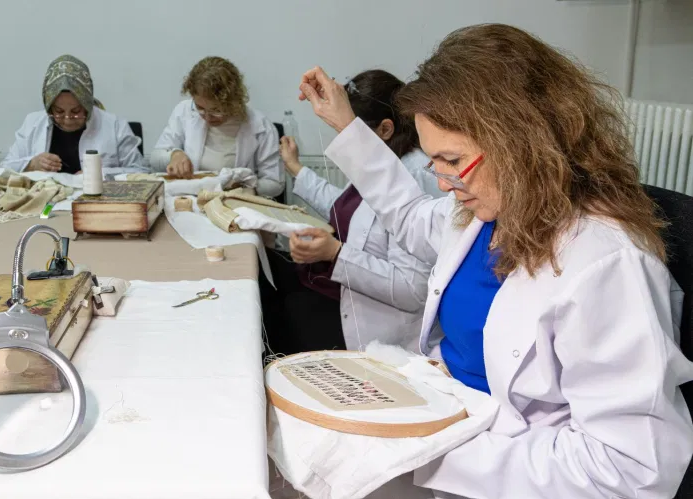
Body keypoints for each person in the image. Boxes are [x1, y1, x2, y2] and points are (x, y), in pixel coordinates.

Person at [297, 24, 693, 499]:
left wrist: (428, 451)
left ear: (521, 143)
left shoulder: (606, 262)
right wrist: (347, 125)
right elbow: (407, 213)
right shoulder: (483, 211)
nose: (442, 182)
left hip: (505, 466)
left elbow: (628, 470)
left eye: (452, 161)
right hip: (447, 418)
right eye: (434, 162)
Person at [261, 69, 434, 355]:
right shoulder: (384, 160)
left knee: (276, 316)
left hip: (378, 330)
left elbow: (412, 289)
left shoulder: (413, 175)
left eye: (349, 131)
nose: (344, 141)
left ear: (385, 129)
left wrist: (335, 253)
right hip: (348, 294)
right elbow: (347, 207)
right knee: (267, 280)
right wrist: (296, 168)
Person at [152, 56, 284, 197]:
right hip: (189, 199)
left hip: (236, 202)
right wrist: (174, 155)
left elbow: (275, 183)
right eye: (200, 108)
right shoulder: (184, 112)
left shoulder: (260, 126)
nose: (208, 118)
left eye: (216, 110)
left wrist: (244, 188)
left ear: (235, 101)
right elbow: (154, 158)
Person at [1, 55, 148, 175]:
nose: (67, 120)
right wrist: (31, 164)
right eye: (59, 112)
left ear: (87, 105)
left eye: (76, 111)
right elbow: (3, 169)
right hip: (47, 202)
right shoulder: (32, 123)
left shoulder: (114, 126)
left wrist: (100, 174)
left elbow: (141, 171)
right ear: (49, 107)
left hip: (98, 200)